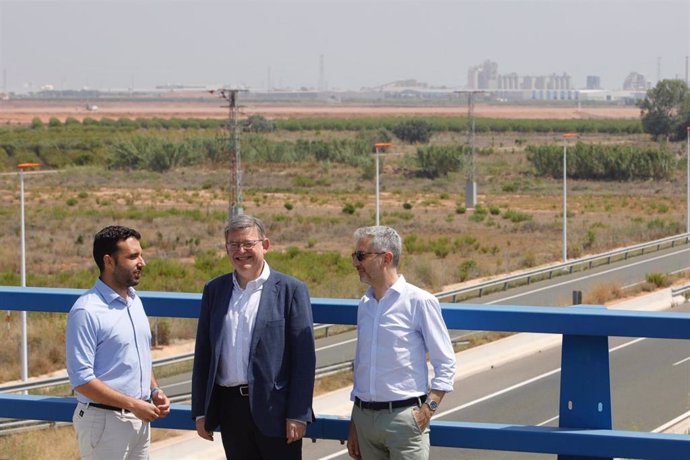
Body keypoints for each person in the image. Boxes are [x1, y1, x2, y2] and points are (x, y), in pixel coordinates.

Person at [192, 214, 316, 459]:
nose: (241, 251)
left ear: (265, 245)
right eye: (234, 245)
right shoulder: (214, 290)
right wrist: (200, 411)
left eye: (248, 243)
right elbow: (204, 354)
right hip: (230, 411)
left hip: (276, 412)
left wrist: (297, 413)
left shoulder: (291, 290)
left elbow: (304, 360)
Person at [346, 226, 456, 460]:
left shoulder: (420, 301)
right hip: (365, 420)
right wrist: (356, 421)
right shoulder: (365, 304)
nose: (355, 263)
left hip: (404, 420)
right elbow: (363, 367)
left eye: (361, 256)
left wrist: (428, 410)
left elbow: (445, 362)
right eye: (355, 256)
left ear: (386, 258)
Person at [66, 225, 171, 459]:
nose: (142, 262)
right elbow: (81, 380)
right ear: (109, 261)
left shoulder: (134, 301)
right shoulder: (86, 311)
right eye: (132, 256)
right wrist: (133, 404)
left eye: (140, 254)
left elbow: (138, 355)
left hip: (139, 420)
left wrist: (154, 390)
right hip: (104, 422)